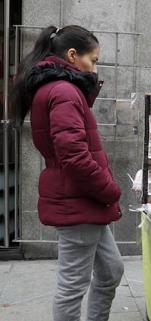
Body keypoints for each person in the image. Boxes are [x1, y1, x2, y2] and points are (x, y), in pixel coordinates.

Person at [11, 25, 124, 321]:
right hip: (79, 199)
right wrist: (109, 189)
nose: (95, 67)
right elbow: (73, 156)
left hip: (85, 200)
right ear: (73, 55)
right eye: (94, 59)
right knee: (72, 286)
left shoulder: (61, 88)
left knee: (111, 270)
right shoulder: (63, 91)